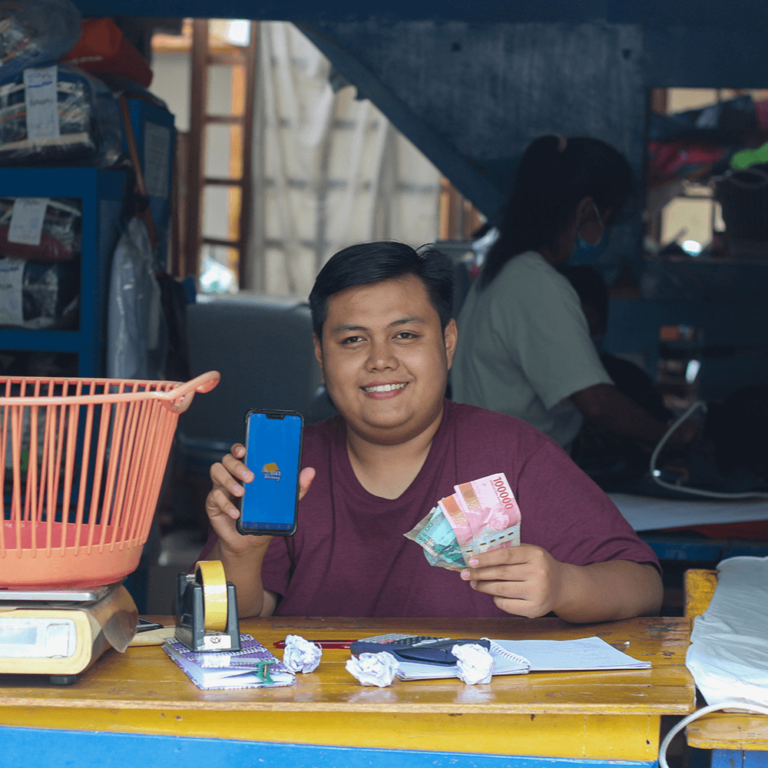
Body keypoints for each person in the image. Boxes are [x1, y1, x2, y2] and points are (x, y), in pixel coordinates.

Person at [203, 241, 662, 622]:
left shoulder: (513, 453)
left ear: (447, 342)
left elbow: (643, 585)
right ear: (321, 354)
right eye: (352, 340)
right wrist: (241, 557)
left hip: (472, 724)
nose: (380, 359)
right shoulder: (280, 472)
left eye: (405, 336)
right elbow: (228, 625)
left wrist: (564, 585)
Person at [451, 134, 697, 454]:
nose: (606, 235)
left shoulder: (499, 274)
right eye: (608, 220)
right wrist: (672, 436)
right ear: (586, 212)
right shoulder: (536, 284)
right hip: (514, 477)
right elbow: (596, 402)